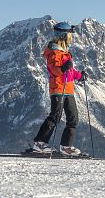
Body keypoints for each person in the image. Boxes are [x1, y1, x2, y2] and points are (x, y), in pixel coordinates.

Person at [32, 22, 84, 155]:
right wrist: (62, 68)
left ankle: (66, 146)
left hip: (68, 90)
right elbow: (54, 70)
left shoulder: (65, 53)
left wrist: (79, 76)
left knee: (73, 118)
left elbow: (70, 71)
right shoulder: (53, 52)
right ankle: (40, 143)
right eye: (70, 35)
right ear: (64, 36)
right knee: (55, 116)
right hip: (58, 89)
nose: (71, 38)